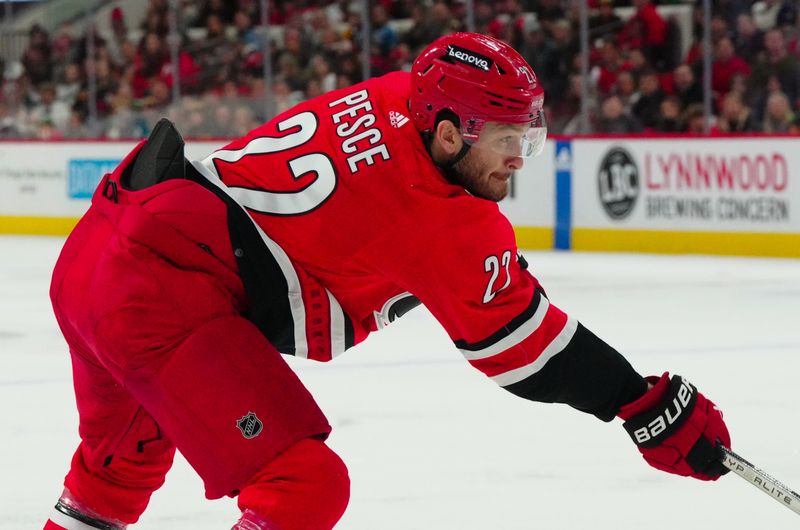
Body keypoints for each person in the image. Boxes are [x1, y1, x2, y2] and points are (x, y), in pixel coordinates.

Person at [44, 33, 730, 530]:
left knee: (113, 475)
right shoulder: (443, 217)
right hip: (159, 295)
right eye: (507, 140)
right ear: (452, 136)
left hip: (100, 251)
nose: (520, 160)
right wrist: (642, 404)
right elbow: (528, 354)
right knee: (303, 490)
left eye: (529, 138)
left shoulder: (403, 93)